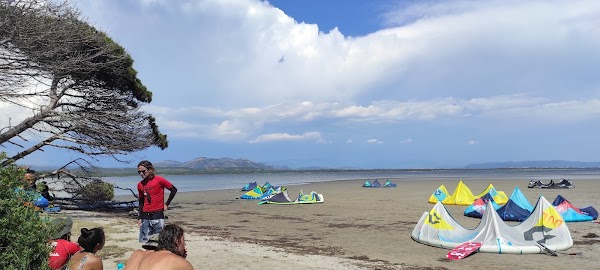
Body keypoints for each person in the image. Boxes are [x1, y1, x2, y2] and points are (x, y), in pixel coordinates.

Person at [136, 160, 178, 242]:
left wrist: (166, 204)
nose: (141, 174)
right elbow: (141, 202)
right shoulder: (140, 184)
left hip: (157, 215)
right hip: (145, 216)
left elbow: (173, 190)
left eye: (143, 171)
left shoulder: (159, 180)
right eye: (139, 172)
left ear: (150, 170)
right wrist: (139, 218)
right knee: (145, 243)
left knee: (159, 242)